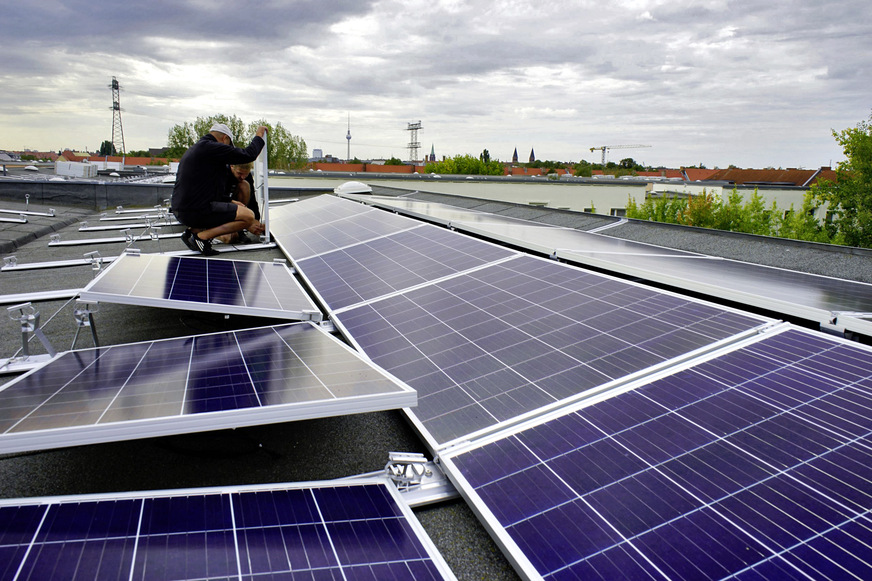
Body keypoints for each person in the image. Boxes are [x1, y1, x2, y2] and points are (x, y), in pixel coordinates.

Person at [171, 123, 267, 256]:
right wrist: (259, 135)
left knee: (243, 214)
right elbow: (248, 155)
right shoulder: (211, 148)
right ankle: (202, 237)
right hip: (195, 210)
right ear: (224, 138)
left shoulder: (199, 150)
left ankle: (193, 231)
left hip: (184, 209)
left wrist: (231, 202)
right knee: (248, 217)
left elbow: (209, 190)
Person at [216, 162, 261, 244]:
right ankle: (207, 230)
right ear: (232, 166)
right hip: (215, 205)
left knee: (245, 185)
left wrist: (255, 220)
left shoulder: (245, 176)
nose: (242, 177)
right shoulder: (220, 173)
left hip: (229, 204)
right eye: (239, 173)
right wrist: (231, 201)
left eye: (246, 174)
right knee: (231, 238)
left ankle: (239, 227)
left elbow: (252, 198)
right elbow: (214, 197)